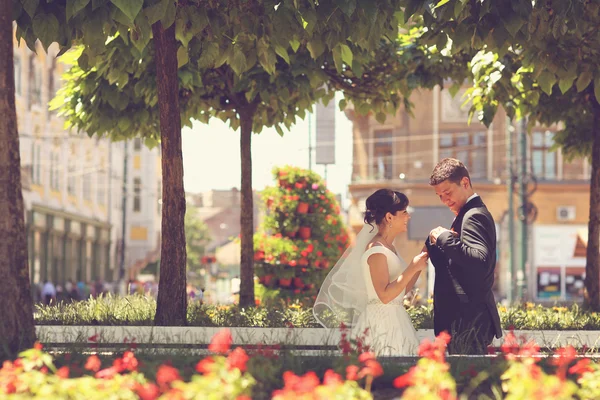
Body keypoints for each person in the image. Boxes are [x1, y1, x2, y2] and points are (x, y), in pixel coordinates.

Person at [314, 189, 429, 356]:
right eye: (404, 212)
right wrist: (412, 267)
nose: (408, 217)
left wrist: (422, 256)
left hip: (396, 319)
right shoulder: (376, 250)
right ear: (389, 217)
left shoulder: (389, 248)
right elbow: (384, 295)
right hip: (380, 324)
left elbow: (401, 290)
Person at [425, 158, 502, 354]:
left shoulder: (474, 215)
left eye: (448, 193)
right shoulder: (465, 214)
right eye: (439, 196)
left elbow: (479, 262)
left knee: (467, 382)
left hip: (469, 322)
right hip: (463, 320)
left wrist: (444, 238)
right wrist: (436, 243)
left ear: (465, 183)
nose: (444, 200)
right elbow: (455, 265)